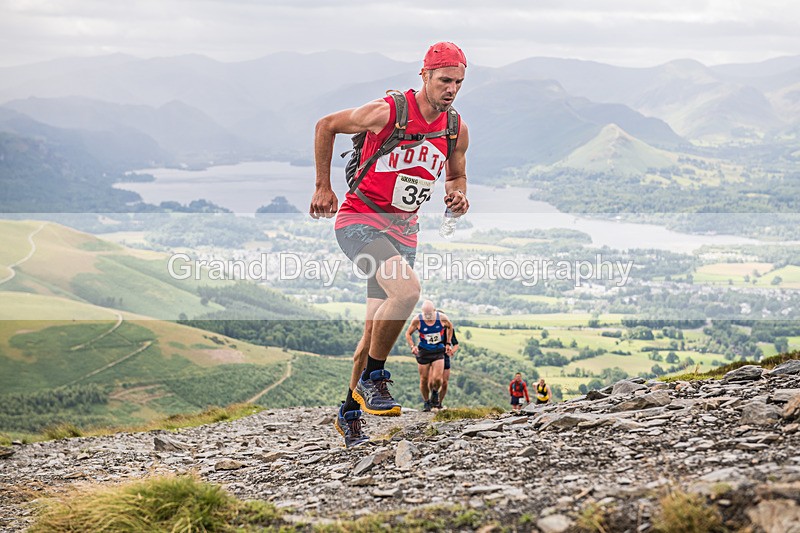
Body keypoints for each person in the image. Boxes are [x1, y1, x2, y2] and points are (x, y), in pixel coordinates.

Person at [309, 42, 470, 447]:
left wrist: (458, 195)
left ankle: (349, 412)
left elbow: (455, 176)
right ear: (425, 76)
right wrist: (322, 187)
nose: (451, 89)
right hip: (360, 222)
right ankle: (374, 378)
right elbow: (326, 124)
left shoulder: (455, 128)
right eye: (444, 80)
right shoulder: (388, 112)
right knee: (409, 291)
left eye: (459, 82)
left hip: (404, 233)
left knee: (370, 336)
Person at [405, 301, 454, 411]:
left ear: (434, 310)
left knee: (437, 378)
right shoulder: (417, 320)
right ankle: (427, 402)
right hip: (424, 352)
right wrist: (412, 346)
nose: (428, 316)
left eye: (430, 314)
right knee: (424, 379)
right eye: (425, 314)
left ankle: (435, 393)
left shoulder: (442, 318)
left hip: (438, 351)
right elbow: (408, 333)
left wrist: (448, 343)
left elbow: (450, 327)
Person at [440, 322, 459, 409]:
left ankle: (439, 402)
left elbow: (455, 344)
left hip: (445, 356)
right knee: (434, 380)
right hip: (432, 355)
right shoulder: (430, 329)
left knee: (444, 382)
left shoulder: (449, 329)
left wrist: (451, 352)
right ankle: (431, 401)